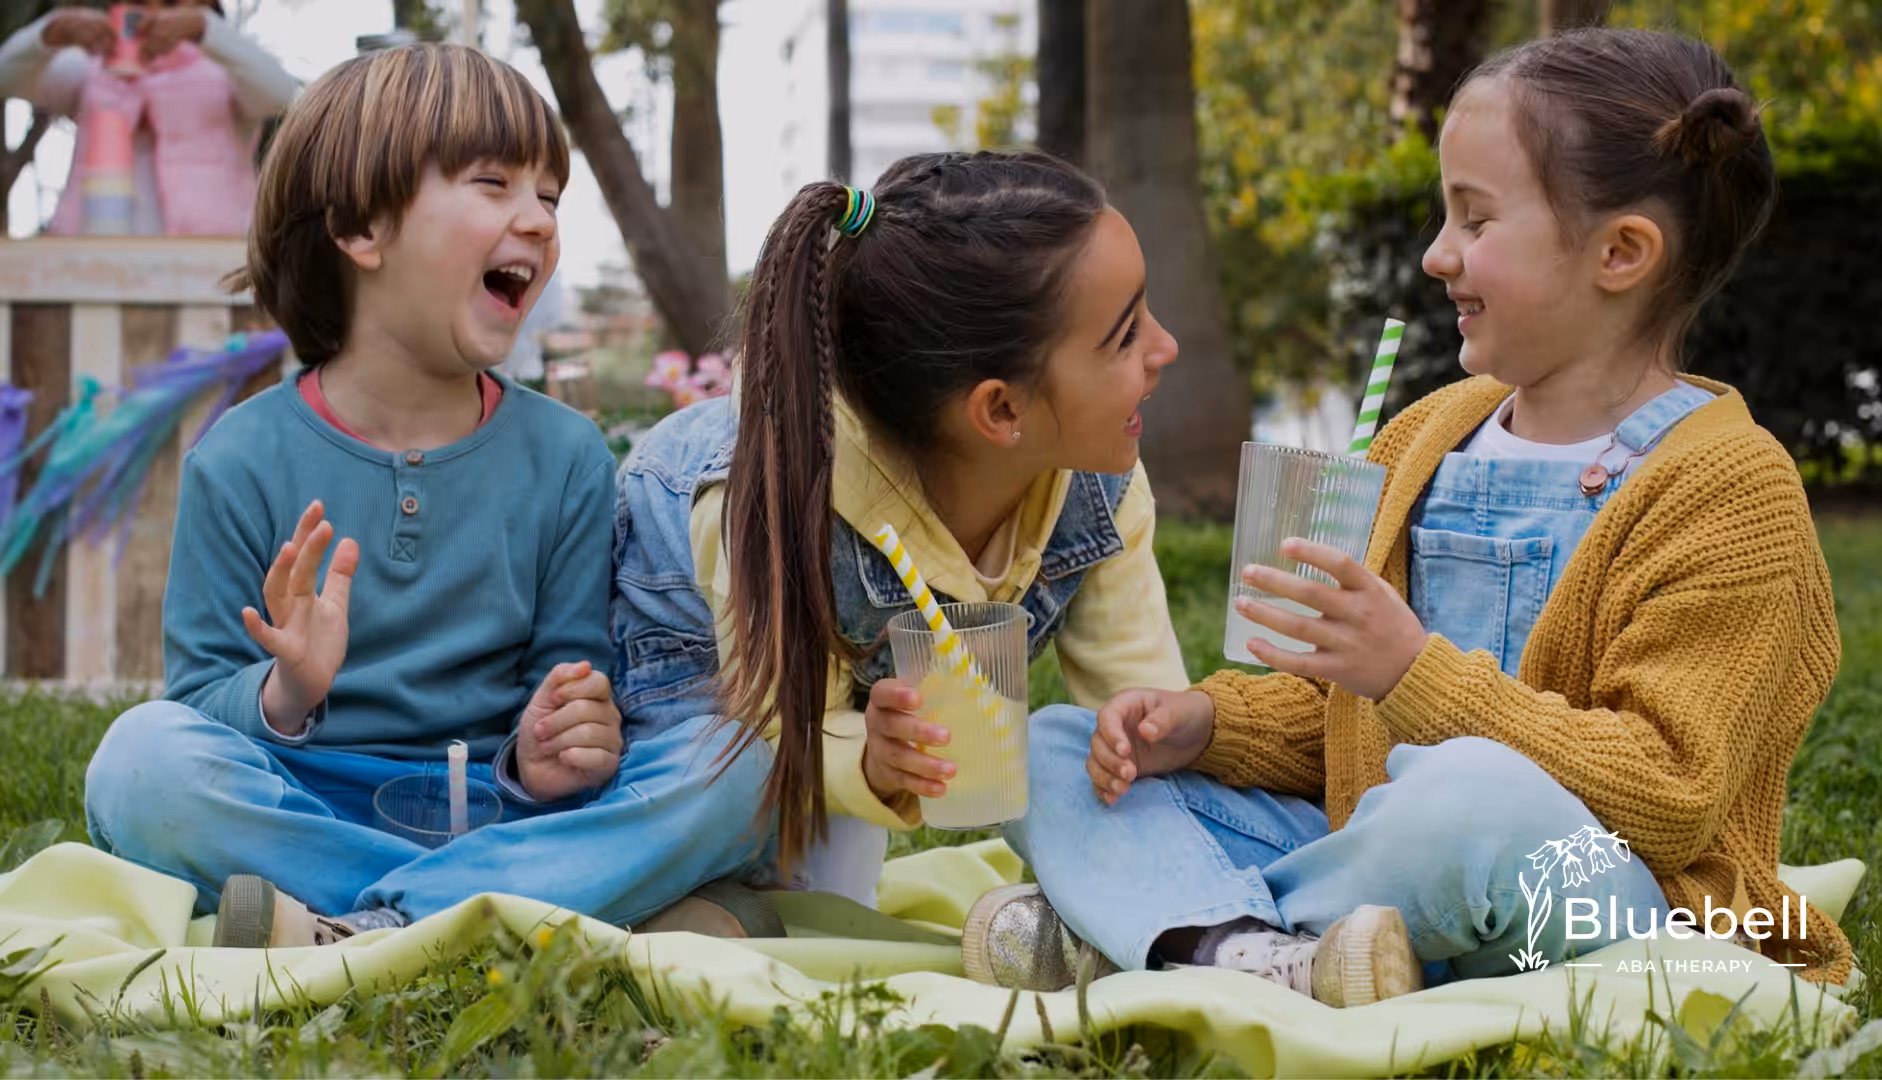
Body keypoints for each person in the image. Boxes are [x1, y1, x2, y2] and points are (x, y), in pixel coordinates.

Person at [967, 27, 1852, 1002]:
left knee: (1467, 801)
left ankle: (1158, 925)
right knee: (1053, 751)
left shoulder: (1729, 489)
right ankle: (1265, 951)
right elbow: (1337, 718)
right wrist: (1207, 725)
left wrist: (1410, 671)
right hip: (1371, 848)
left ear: (1621, 252)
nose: (1438, 254)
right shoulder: (1428, 436)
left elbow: (1668, 794)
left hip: (1589, 892)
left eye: (1476, 220)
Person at [82, 43, 775, 949]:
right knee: (138, 761)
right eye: (494, 184)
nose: (537, 220)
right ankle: (545, 909)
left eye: (549, 197)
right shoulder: (237, 458)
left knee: (747, 760)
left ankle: (365, 926)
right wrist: (288, 688)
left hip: (506, 815)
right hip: (309, 809)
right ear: (361, 230)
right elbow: (199, 703)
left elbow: (566, 679)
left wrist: (555, 744)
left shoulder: (567, 454)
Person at [611, 150, 1189, 906]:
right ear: (1001, 409)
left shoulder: (1101, 487)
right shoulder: (771, 501)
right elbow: (784, 724)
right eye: (1125, 336)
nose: (1166, 347)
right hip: (705, 655)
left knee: (834, 872)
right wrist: (867, 762)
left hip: (837, 695)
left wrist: (1153, 742)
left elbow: (1143, 707)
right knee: (731, 803)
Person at [0, 0, 297, 236]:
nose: (154, 12)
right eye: (139, 1)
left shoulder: (226, 74)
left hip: (208, 259)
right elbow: (6, 79)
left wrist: (206, 31)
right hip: (97, 257)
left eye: (170, 2)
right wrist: (49, 34)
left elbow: (280, 93)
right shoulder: (90, 69)